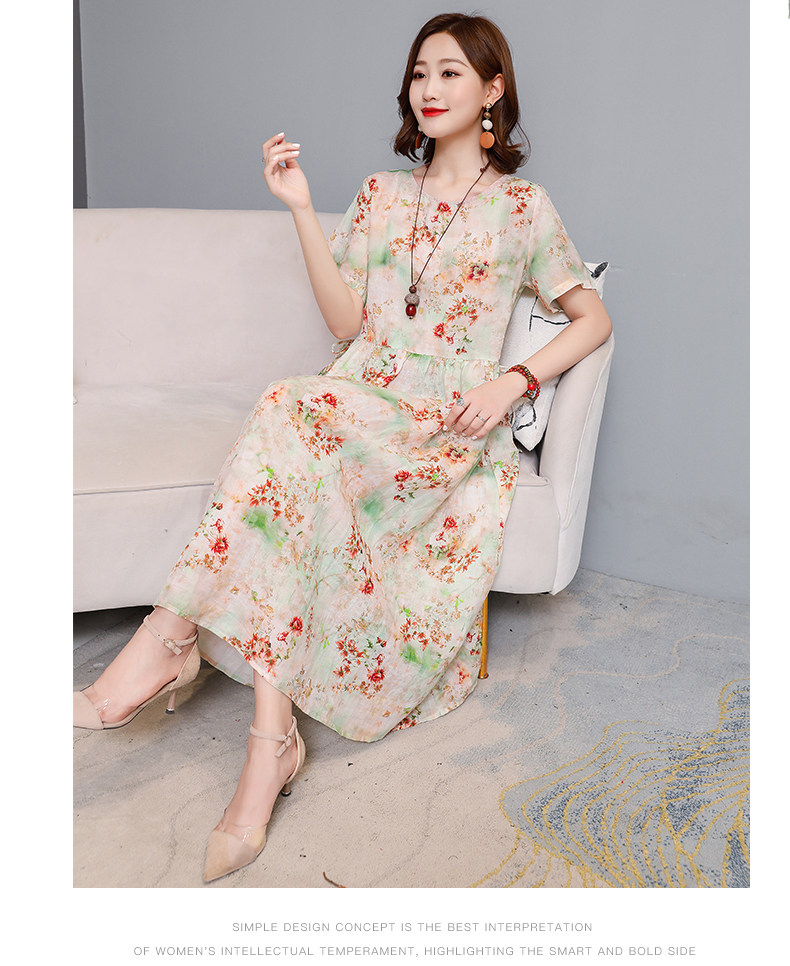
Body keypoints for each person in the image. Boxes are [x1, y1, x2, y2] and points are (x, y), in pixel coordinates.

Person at [73, 12, 613, 884]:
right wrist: (298, 207)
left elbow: (592, 318)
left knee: (290, 413)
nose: (428, 88)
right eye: (419, 73)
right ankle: (269, 738)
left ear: (493, 89)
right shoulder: (379, 193)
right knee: (297, 425)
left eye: (449, 73)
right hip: (360, 397)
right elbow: (346, 324)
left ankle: (169, 643)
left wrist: (513, 382)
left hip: (443, 427)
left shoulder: (524, 209)